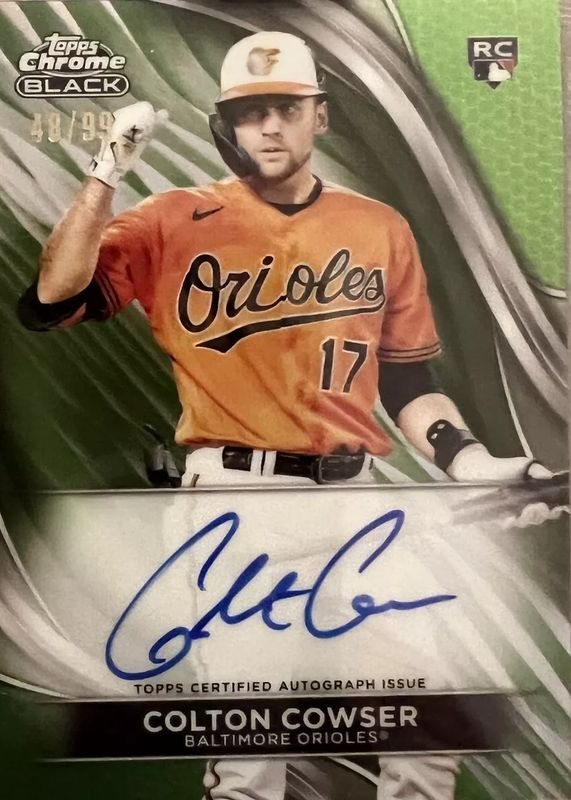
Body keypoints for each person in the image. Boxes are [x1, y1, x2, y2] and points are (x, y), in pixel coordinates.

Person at [18, 29, 548, 800]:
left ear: (318, 116)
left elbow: (408, 383)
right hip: (237, 501)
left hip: (356, 500)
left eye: (286, 108)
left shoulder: (377, 227)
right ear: (227, 125)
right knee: (251, 752)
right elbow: (50, 300)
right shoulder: (172, 219)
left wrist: (473, 463)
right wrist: (104, 175)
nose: (268, 126)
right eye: (250, 111)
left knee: (428, 715)